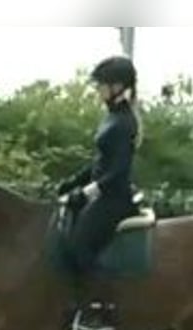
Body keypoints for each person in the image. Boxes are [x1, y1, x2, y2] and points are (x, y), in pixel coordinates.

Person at [57, 55, 142, 278]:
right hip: (105, 195)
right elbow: (101, 162)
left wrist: (85, 194)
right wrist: (76, 181)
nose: (99, 90)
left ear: (117, 86)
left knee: (79, 246)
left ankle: (102, 302)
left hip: (114, 199)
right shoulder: (112, 117)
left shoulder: (124, 122)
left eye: (102, 84)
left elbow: (117, 172)